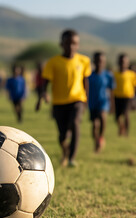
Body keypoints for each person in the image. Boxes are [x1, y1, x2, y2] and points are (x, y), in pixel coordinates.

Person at [42, 29, 91, 167]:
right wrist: (43, 94)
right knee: (62, 135)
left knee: (75, 123)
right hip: (59, 102)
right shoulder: (53, 62)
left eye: (74, 43)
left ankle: (71, 158)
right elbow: (45, 82)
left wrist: (85, 99)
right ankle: (65, 150)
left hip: (77, 99)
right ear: (61, 44)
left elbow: (85, 81)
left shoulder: (84, 61)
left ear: (78, 45)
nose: (71, 47)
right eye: (68, 43)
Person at [88, 51, 114, 153]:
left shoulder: (108, 75)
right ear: (94, 61)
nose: (100, 63)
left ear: (104, 62)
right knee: (95, 125)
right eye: (98, 60)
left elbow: (111, 91)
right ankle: (96, 140)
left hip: (104, 102)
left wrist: (112, 104)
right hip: (92, 103)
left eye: (102, 61)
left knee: (103, 118)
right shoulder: (89, 76)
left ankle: (101, 138)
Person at [113, 53, 136, 136]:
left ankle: (126, 133)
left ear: (128, 63)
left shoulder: (132, 74)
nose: (123, 63)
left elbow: (135, 85)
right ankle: (121, 127)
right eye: (121, 62)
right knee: (117, 116)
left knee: (126, 114)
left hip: (128, 96)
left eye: (124, 62)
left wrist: (134, 96)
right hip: (117, 96)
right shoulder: (114, 74)